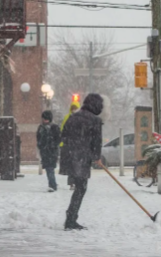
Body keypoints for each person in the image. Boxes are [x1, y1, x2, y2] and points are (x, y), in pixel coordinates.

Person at [60, 93, 104, 230]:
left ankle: (71, 217)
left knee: (78, 187)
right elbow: (97, 142)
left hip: (69, 156)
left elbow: (64, 135)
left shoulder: (73, 117)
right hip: (82, 157)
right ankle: (71, 219)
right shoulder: (95, 120)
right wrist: (96, 157)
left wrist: (71, 149)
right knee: (81, 188)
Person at [37, 111, 61, 192]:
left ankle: (52, 184)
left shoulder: (53, 127)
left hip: (51, 151)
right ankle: (52, 183)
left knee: (50, 168)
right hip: (46, 151)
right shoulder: (42, 128)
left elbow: (58, 138)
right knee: (49, 169)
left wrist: (52, 145)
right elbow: (39, 138)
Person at [59, 101, 80, 190]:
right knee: (72, 165)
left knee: (75, 165)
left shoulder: (79, 118)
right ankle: (72, 183)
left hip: (75, 145)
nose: (74, 110)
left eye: (75, 108)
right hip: (70, 145)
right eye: (73, 108)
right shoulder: (68, 117)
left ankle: (75, 182)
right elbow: (63, 130)